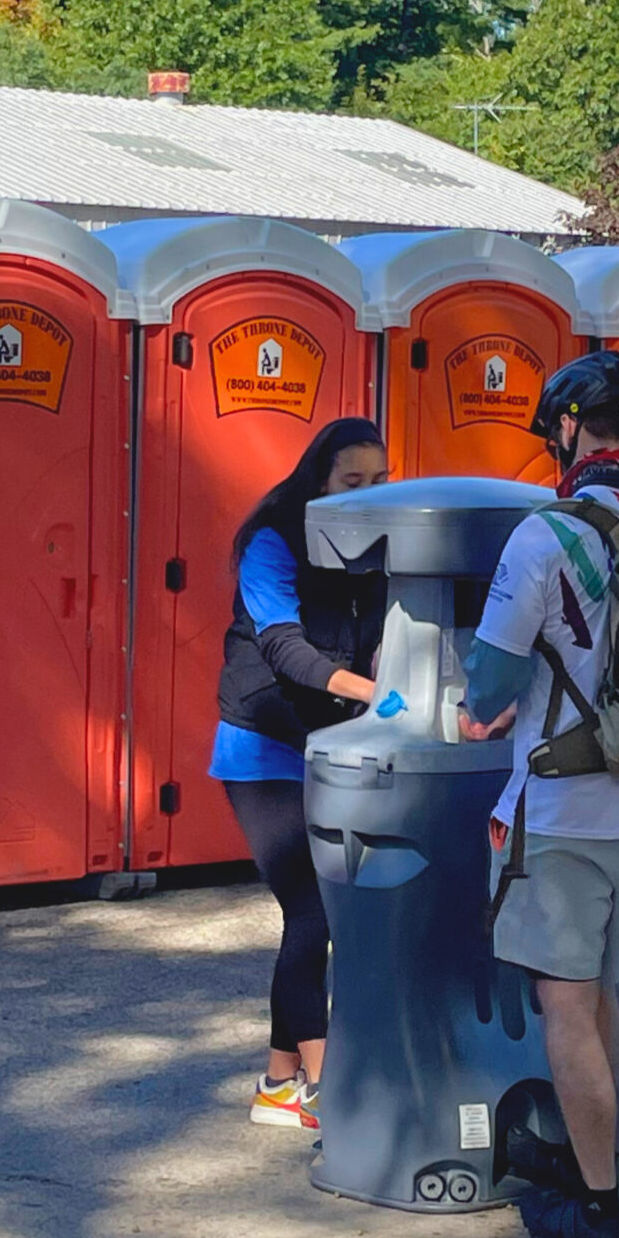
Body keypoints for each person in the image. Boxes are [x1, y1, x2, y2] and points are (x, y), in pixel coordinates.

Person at [459, 354, 619, 1238]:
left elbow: (490, 685)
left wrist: (475, 713)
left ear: (571, 431)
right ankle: (596, 1155)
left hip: (562, 812)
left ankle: (597, 1210)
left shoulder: (541, 539)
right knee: (599, 995)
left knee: (565, 1008)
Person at [212, 418, 389, 1130]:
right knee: (313, 912)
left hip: (326, 744)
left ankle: (278, 1085)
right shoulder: (271, 541)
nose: (368, 495)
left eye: (380, 482)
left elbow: (381, 634)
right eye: (353, 482)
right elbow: (284, 647)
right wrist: (369, 693)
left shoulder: (372, 549)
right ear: (319, 478)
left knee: (325, 914)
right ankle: (327, 1087)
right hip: (261, 748)